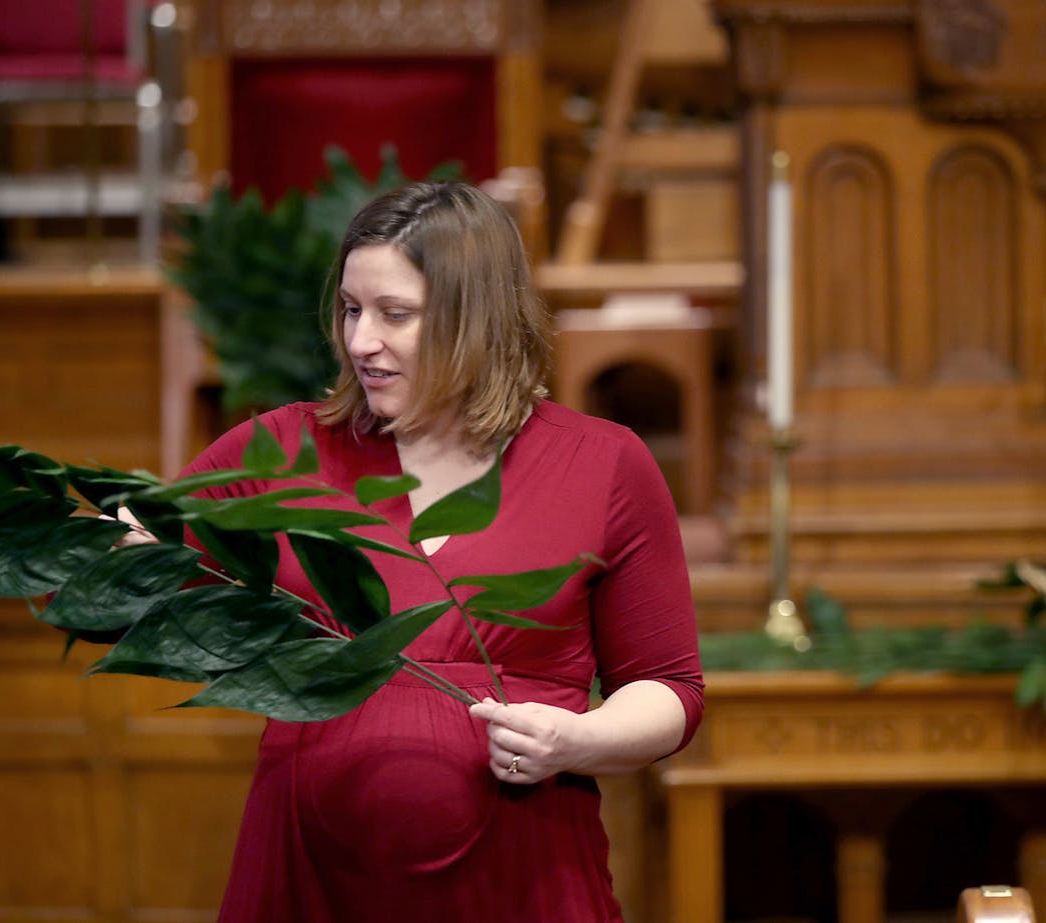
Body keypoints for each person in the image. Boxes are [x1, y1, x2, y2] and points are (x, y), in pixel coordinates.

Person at [167, 181, 704, 922]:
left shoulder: (604, 463)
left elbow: (671, 689)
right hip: (307, 881)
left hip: (522, 880)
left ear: (474, 320)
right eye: (351, 309)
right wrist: (119, 552)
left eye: (395, 315)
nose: (360, 340)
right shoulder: (282, 448)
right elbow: (130, 574)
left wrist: (577, 739)